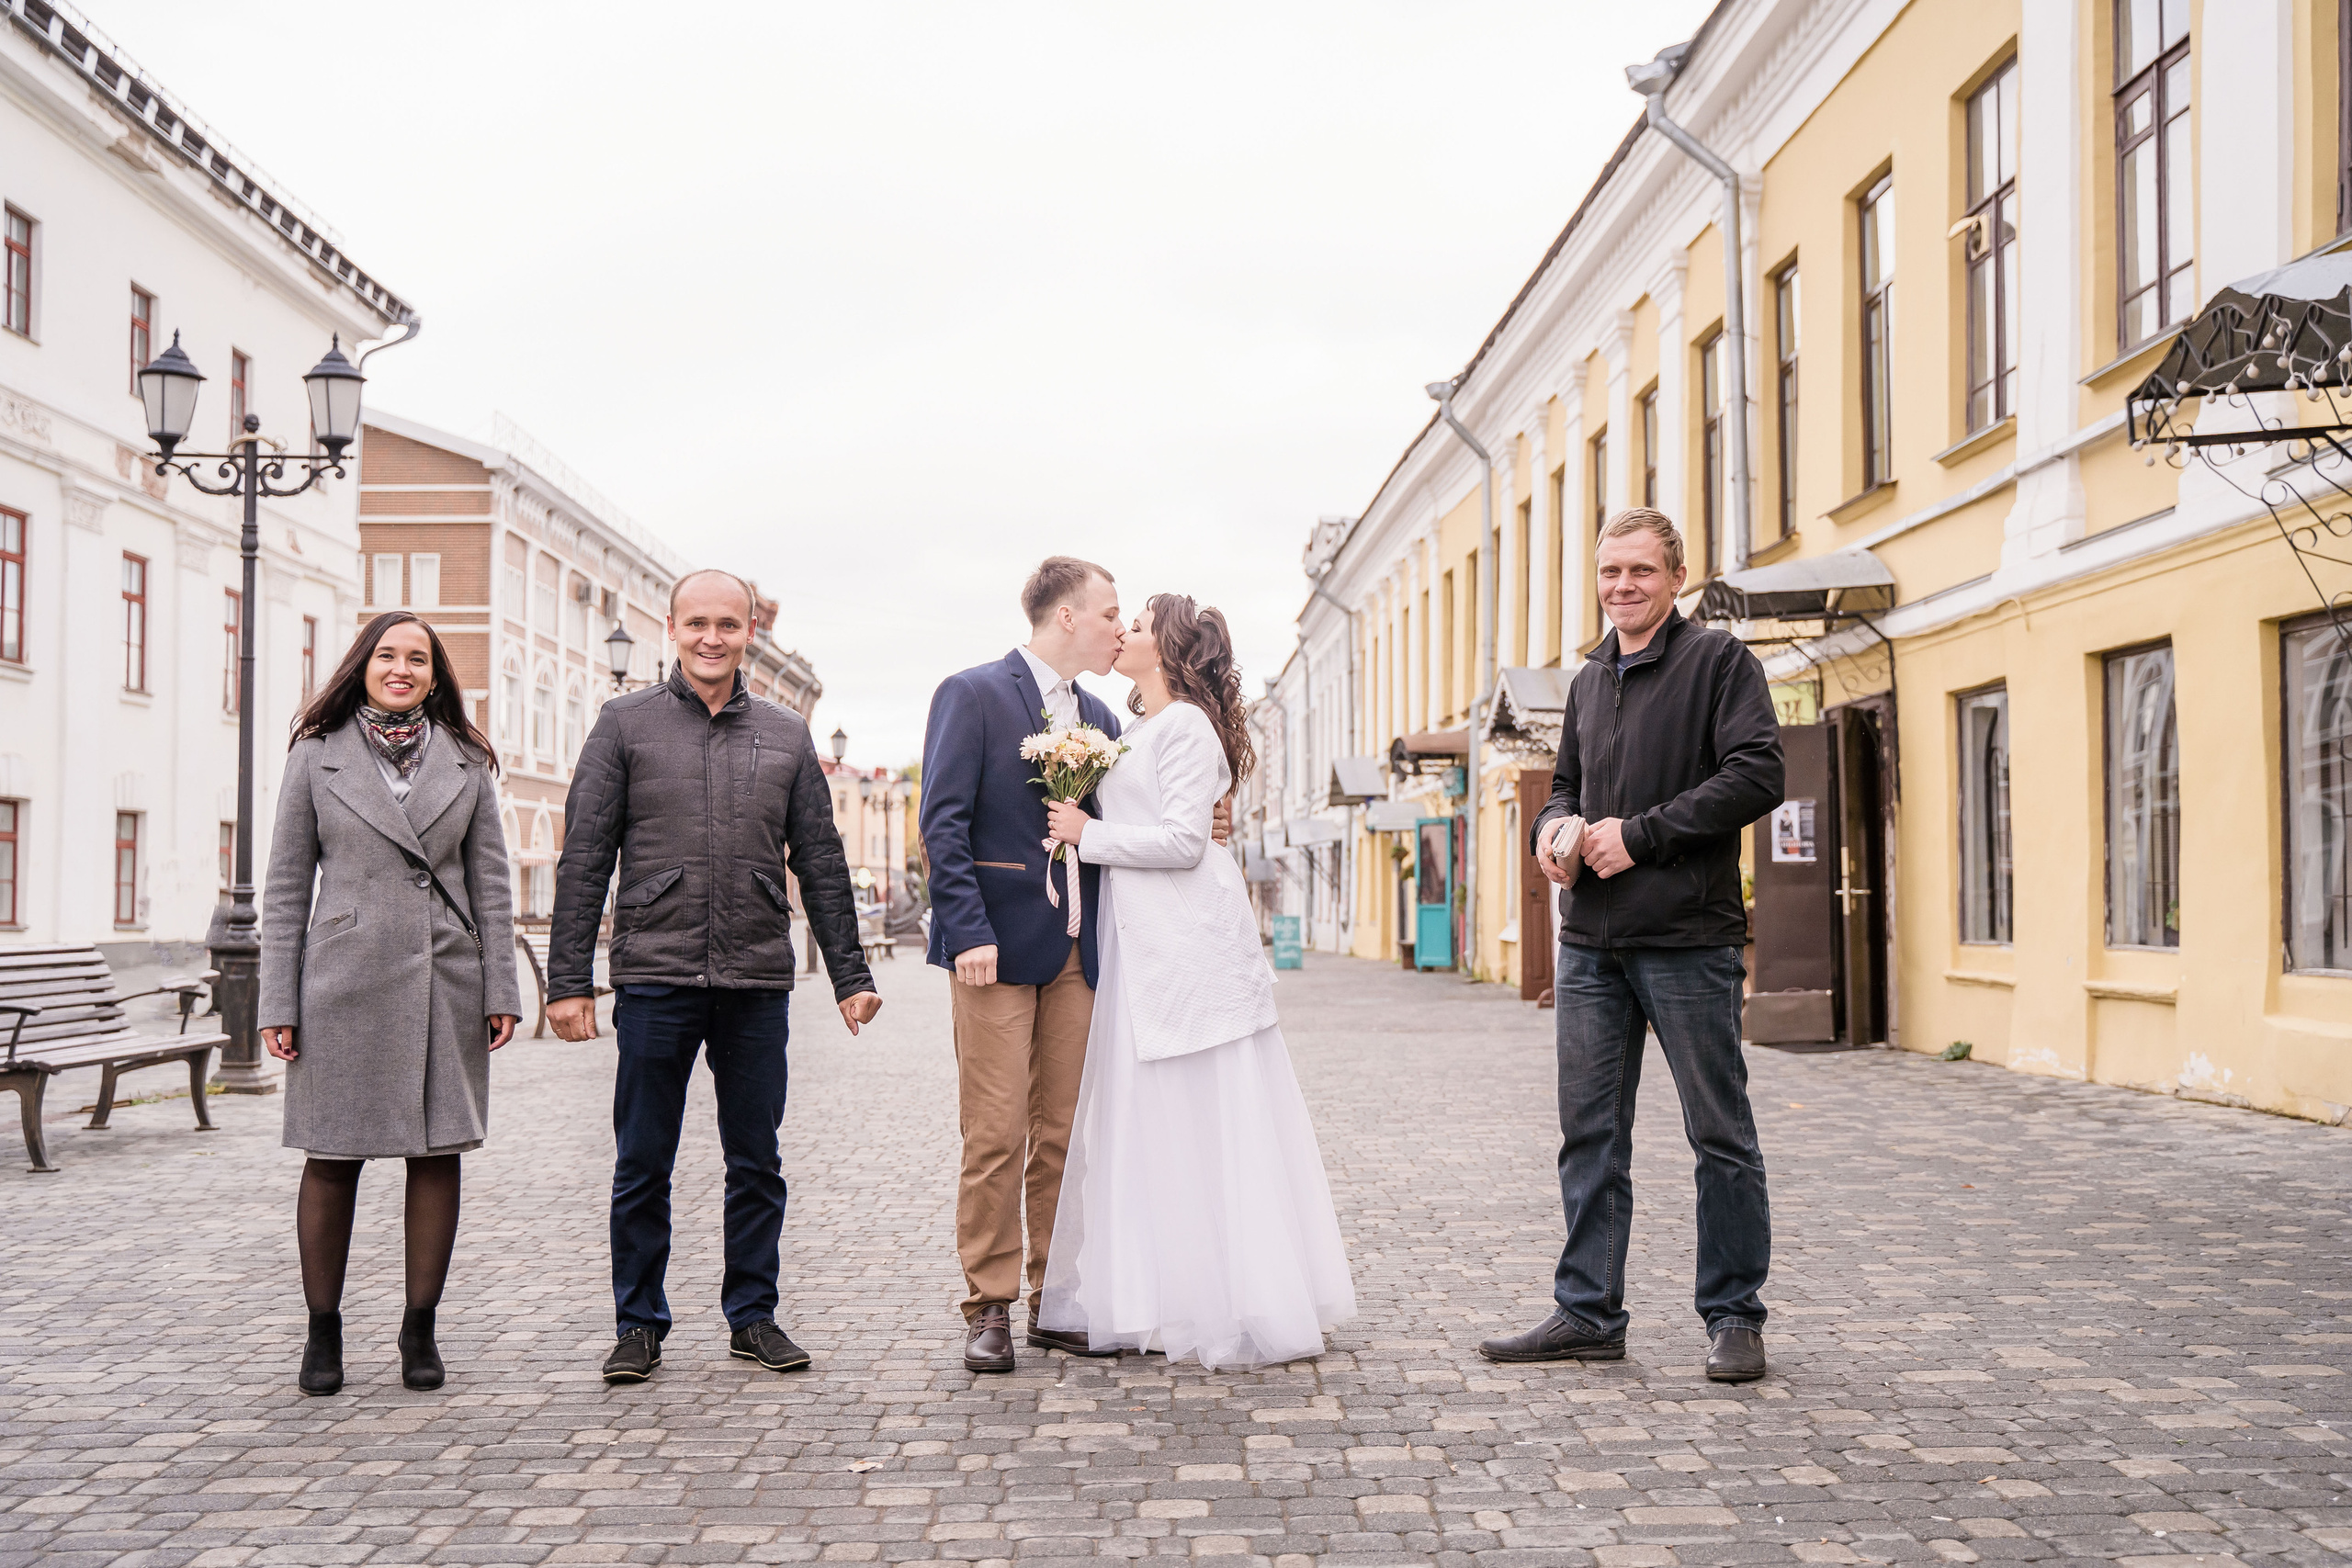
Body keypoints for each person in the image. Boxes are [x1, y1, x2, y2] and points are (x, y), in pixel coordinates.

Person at [546, 570, 881, 1385]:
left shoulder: (787, 733)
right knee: (643, 1161)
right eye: (697, 622)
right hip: (655, 975)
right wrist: (567, 981)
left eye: (728, 625)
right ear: (671, 628)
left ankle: (753, 1314)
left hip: (756, 976)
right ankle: (638, 1322)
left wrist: (849, 974)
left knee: (756, 1159)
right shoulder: (624, 724)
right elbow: (586, 855)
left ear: (749, 636)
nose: (712, 637)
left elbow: (822, 860)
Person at [1479, 508, 1783, 1382]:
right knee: (1589, 1134)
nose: (1622, 586)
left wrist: (1638, 836)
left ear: (1674, 577)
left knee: (1718, 1132)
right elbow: (1563, 786)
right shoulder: (1588, 681)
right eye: (1610, 572)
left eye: (1640, 572)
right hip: (1592, 946)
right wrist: (1554, 832)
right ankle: (1587, 1311)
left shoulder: (1720, 663)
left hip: (1688, 941)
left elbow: (1758, 772)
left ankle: (1734, 1314)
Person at [920, 557, 1232, 1372]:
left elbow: (1144, 812)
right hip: (994, 948)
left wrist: (1211, 817)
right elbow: (943, 825)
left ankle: (1053, 1298)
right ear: (1067, 617)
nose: (1119, 629)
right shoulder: (973, 693)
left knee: (1064, 1134)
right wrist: (967, 930)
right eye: (1109, 614)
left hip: (1081, 951)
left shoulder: (1101, 716)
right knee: (994, 1131)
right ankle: (986, 1304)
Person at [1039, 594, 1356, 1369]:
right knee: (1153, 1122)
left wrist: (1089, 833)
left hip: (1186, 943)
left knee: (1201, 1112)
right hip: (1143, 943)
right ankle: (1162, 1292)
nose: (1123, 632)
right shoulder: (1137, 728)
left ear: (1172, 649)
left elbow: (1185, 841)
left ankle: (1215, 1298)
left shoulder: (1184, 724)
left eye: (1138, 626)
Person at [259, 610, 521, 1397]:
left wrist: (502, 986)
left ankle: (419, 1327)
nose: (401, 667)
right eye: (386, 655)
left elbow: (493, 885)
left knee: (436, 1152)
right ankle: (322, 1329)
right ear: (362, 666)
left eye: (417, 658)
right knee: (331, 1155)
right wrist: (279, 998)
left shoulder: (467, 761)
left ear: (435, 675)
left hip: (443, 976)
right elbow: (282, 886)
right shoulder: (316, 756)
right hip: (340, 977)